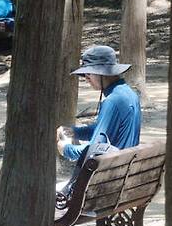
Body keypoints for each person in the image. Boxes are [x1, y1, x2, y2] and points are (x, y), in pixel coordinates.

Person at [56, 45, 141, 200]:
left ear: (101, 73)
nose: (86, 79)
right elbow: (105, 130)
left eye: (88, 74)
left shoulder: (112, 101)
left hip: (108, 181)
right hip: (124, 174)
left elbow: (94, 151)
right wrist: (76, 132)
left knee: (47, 195)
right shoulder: (128, 93)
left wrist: (66, 149)